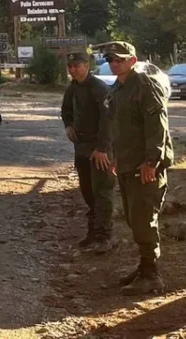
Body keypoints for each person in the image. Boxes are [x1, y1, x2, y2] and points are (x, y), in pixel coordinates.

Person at [92, 41, 173, 295]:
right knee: (133, 219)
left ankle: (152, 276)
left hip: (145, 166)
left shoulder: (144, 85)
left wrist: (152, 162)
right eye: (110, 60)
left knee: (144, 220)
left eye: (119, 59)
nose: (114, 63)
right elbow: (119, 127)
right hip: (127, 164)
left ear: (132, 60)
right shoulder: (118, 88)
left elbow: (157, 127)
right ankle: (144, 268)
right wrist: (115, 156)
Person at [60, 50, 114, 253]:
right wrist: (68, 125)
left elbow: (108, 120)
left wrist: (102, 149)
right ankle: (93, 233)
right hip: (81, 149)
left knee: (102, 192)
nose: (73, 70)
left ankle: (105, 236)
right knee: (88, 192)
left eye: (77, 66)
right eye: (70, 67)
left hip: (99, 149)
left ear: (86, 66)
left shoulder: (98, 87)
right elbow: (65, 110)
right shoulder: (73, 88)